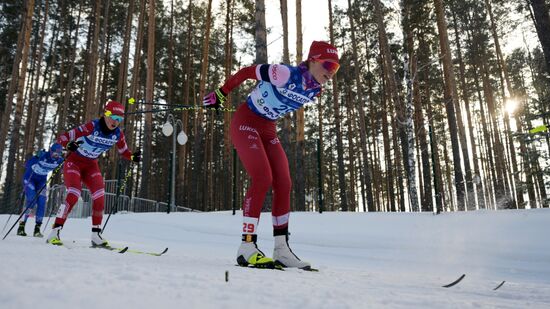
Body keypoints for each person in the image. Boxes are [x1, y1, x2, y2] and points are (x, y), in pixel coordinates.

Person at [203, 41, 340, 269]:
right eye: (328, 65)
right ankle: (247, 247)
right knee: (262, 178)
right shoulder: (284, 73)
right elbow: (248, 72)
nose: (331, 73)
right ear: (313, 60)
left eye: (336, 69)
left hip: (267, 129)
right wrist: (221, 93)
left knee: (284, 183)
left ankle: (281, 249)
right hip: (246, 122)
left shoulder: (316, 89)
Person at [46, 100, 141, 246]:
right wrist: (68, 145)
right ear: (106, 114)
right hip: (74, 162)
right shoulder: (92, 126)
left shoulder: (117, 134)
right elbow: (63, 137)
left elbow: (124, 151)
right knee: (74, 193)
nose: (116, 122)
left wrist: (133, 156)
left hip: (91, 165)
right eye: (114, 117)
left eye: (120, 119)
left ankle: (96, 235)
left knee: (99, 196)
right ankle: (55, 231)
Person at [17, 144, 64, 237]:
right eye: (54, 153)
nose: (56, 156)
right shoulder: (42, 155)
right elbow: (26, 164)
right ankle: (21, 226)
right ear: (50, 151)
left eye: (58, 154)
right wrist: (36, 157)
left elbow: (65, 168)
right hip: (30, 179)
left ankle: (37, 229)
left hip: (41, 181)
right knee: (31, 200)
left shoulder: (59, 160)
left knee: (42, 202)